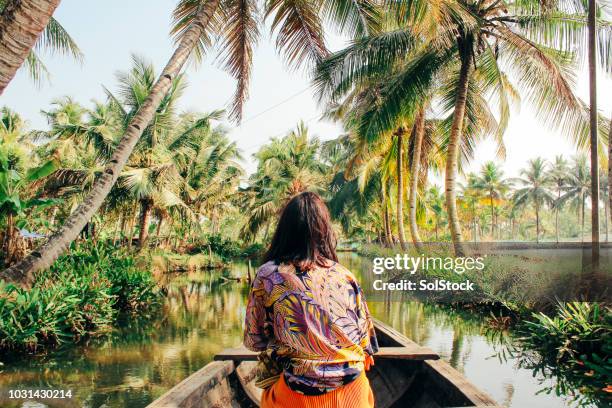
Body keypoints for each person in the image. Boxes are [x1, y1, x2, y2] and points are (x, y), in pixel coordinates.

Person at [244, 191, 378, 408]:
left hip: (299, 397)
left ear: (284, 231)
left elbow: (254, 341)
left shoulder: (268, 274)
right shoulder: (345, 275)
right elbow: (367, 346)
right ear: (324, 231)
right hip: (355, 395)